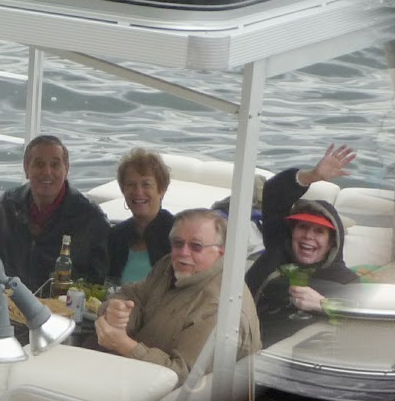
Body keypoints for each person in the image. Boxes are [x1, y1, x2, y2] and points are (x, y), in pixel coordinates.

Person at [94, 208, 261, 378]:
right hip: (138, 376)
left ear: (221, 252)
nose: (183, 253)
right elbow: (134, 294)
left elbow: (185, 376)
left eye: (196, 246)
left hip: (183, 399)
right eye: (178, 243)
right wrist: (117, 312)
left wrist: (126, 346)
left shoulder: (221, 305)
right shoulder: (169, 266)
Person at [245, 145, 361, 339]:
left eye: (319, 231)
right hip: (234, 333)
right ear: (292, 232)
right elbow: (273, 193)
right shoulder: (278, 247)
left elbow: (364, 321)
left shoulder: (345, 280)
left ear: (332, 242)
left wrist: (324, 304)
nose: (308, 236)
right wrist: (312, 175)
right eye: (302, 227)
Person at [0, 134, 109, 294]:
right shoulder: (10, 204)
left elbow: (100, 278)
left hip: (62, 309)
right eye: (39, 164)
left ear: (66, 170)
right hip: (12, 301)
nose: (47, 172)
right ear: (26, 169)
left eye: (55, 165)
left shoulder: (90, 218)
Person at [107, 147, 172, 286]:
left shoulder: (177, 234)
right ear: (123, 190)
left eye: (146, 184)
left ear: (161, 189)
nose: (138, 192)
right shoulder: (115, 236)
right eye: (130, 185)